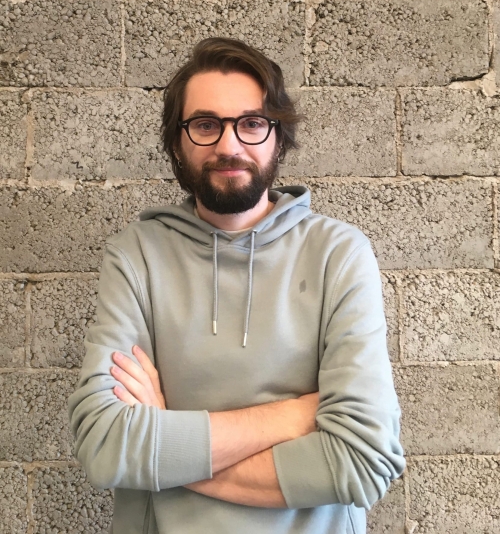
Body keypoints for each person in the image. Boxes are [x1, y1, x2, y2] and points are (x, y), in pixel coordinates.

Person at [68, 37, 405, 534]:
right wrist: (294, 416)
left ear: (278, 137)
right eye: (206, 125)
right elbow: (104, 446)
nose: (229, 146)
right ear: (177, 141)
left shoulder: (338, 253)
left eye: (251, 123)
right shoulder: (136, 255)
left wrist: (166, 449)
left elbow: (363, 462)